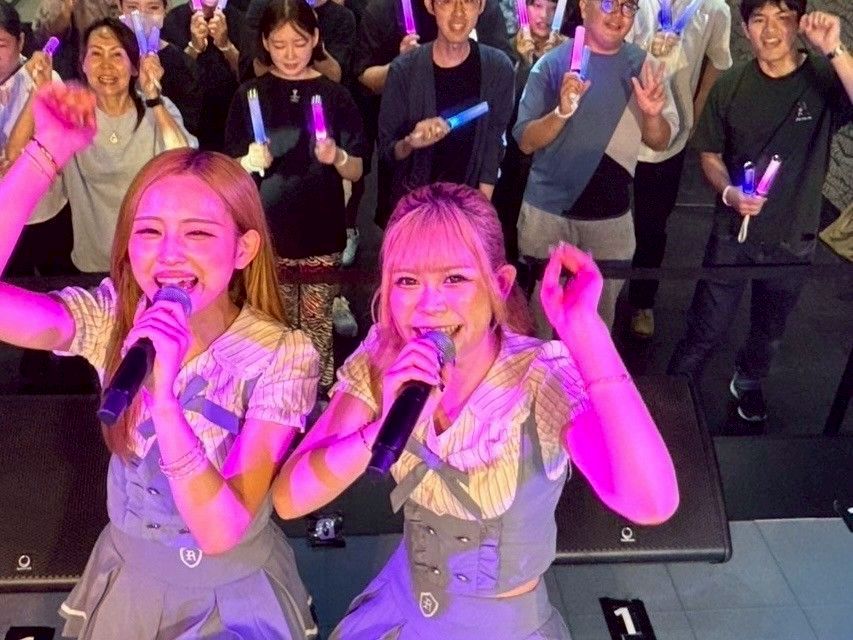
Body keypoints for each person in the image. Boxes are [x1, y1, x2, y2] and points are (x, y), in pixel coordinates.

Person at [273, 182, 679, 639]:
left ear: (499, 285)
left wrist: (586, 331)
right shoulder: (384, 355)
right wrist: (381, 428)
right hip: (400, 610)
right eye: (407, 281)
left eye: (454, 279)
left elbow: (650, 503)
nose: (429, 306)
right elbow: (290, 499)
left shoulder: (538, 378)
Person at [0, 82, 321, 639]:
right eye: (149, 232)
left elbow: (220, 530)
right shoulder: (112, 319)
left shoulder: (281, 354)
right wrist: (45, 152)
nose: (170, 254)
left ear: (243, 249)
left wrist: (165, 402)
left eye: (197, 233)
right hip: (132, 585)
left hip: (232, 596)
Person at [667, 0, 852, 422]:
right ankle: (674, 392)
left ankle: (747, 382)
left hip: (794, 235)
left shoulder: (824, 78)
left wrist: (835, 48)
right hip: (733, 231)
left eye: (782, 18)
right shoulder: (732, 85)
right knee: (707, 324)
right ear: (745, 29)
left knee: (769, 330)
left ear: (798, 24)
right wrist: (729, 192)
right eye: (759, 19)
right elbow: (710, 154)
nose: (770, 31)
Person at [224, 0, 365, 394]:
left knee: (317, 323)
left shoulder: (334, 96)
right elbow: (228, 171)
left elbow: (357, 169)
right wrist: (248, 161)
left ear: (315, 39)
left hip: (322, 232)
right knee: (274, 322)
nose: (289, 54)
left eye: (299, 43)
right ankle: (276, 397)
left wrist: (337, 157)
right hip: (268, 235)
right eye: (279, 44)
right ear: (265, 42)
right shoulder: (249, 95)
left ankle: (317, 396)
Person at [514, 0, 679, 334]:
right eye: (607, 3)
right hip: (548, 214)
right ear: (584, 5)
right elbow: (526, 140)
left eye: (628, 6)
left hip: (611, 218)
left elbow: (661, 140)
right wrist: (561, 112)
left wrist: (651, 114)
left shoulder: (644, 66)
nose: (618, 14)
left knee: (596, 328)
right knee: (539, 323)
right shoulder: (552, 63)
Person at [6, 17, 196, 274]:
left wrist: (153, 97)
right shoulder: (73, 116)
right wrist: (40, 90)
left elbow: (183, 161)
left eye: (117, 54)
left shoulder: (158, 109)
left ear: (135, 67)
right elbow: (16, 157)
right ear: (83, 64)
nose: (106, 65)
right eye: (96, 54)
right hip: (93, 264)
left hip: (152, 260)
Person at [625, 0, 732, 339]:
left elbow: (718, 63)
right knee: (599, 216)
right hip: (617, 123)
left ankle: (642, 300)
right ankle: (588, 295)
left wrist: (696, 112)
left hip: (669, 133)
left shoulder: (714, 8)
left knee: (652, 225)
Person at [378, 0, 514, 215]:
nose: (458, 12)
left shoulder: (498, 68)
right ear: (430, 6)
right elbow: (387, 152)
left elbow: (493, 142)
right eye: (447, 1)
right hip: (414, 209)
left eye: (468, 1)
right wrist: (410, 142)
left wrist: (480, 210)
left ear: (481, 6)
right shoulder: (404, 70)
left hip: (468, 207)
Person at [0, 2, 74, 276]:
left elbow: (60, 145)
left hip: (47, 210)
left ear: (20, 41)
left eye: (1, 45)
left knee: (57, 282)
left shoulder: (46, 77)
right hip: (4, 218)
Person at [493, 0, 561, 264]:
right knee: (507, 229)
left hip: (551, 162)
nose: (545, 16)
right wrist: (522, 63)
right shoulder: (505, 48)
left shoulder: (569, 50)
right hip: (511, 159)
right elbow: (503, 105)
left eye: (552, 8)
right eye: (537, 6)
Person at [162, 0, 243, 150]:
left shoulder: (237, 18)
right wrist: (194, 48)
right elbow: (172, 82)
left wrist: (226, 46)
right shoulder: (173, 20)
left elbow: (245, 76)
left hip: (230, 122)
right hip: (189, 123)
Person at [117, 0, 204, 137]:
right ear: (119, 7)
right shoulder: (106, 60)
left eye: (153, 7)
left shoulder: (183, 66)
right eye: (132, 7)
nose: (141, 16)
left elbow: (187, 132)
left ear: (165, 10)